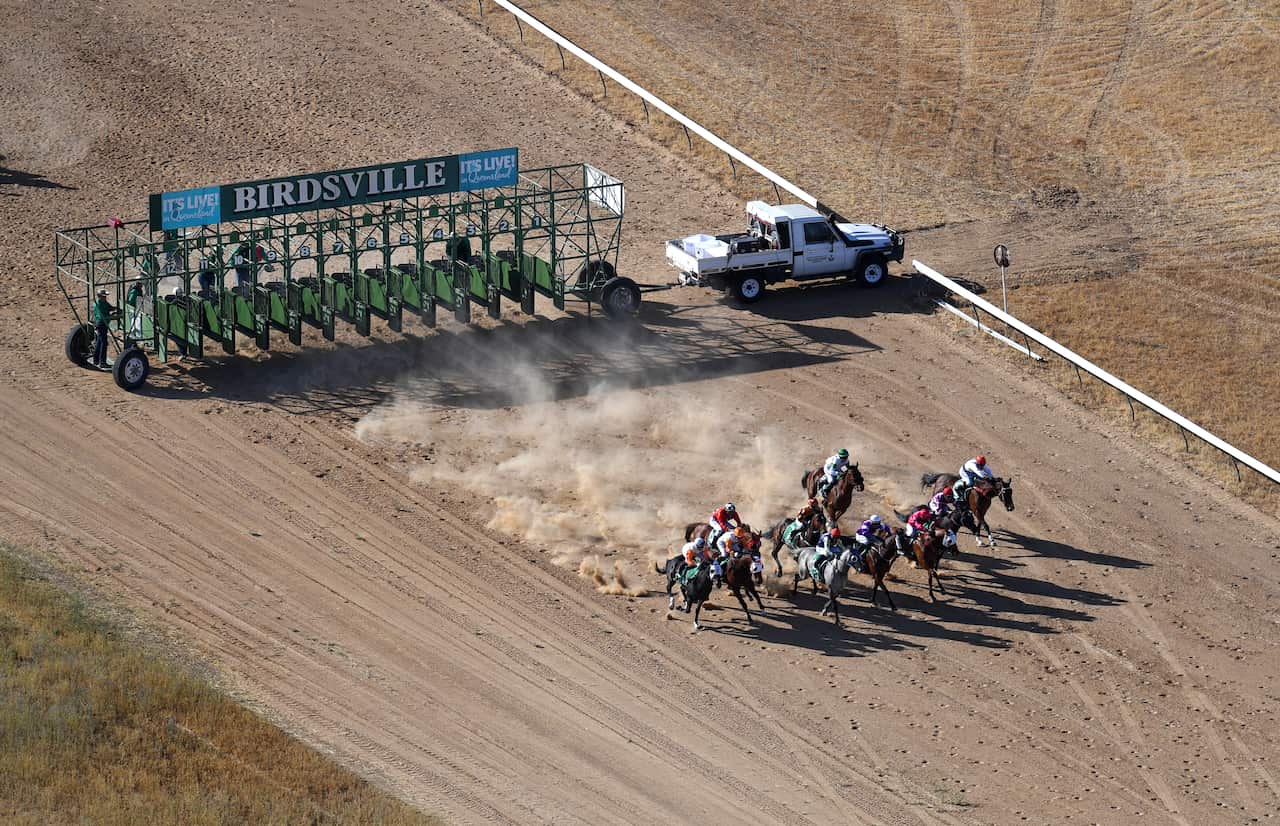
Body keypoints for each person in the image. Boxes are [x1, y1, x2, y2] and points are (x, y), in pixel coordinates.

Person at [91, 287, 116, 368]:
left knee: (99, 341)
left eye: (105, 296)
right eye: (103, 296)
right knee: (104, 343)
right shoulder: (99, 304)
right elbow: (102, 316)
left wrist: (115, 308)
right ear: (99, 296)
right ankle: (102, 362)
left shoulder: (103, 302)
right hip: (101, 324)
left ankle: (96, 360)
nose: (105, 297)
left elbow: (110, 308)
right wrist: (112, 316)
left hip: (102, 323)